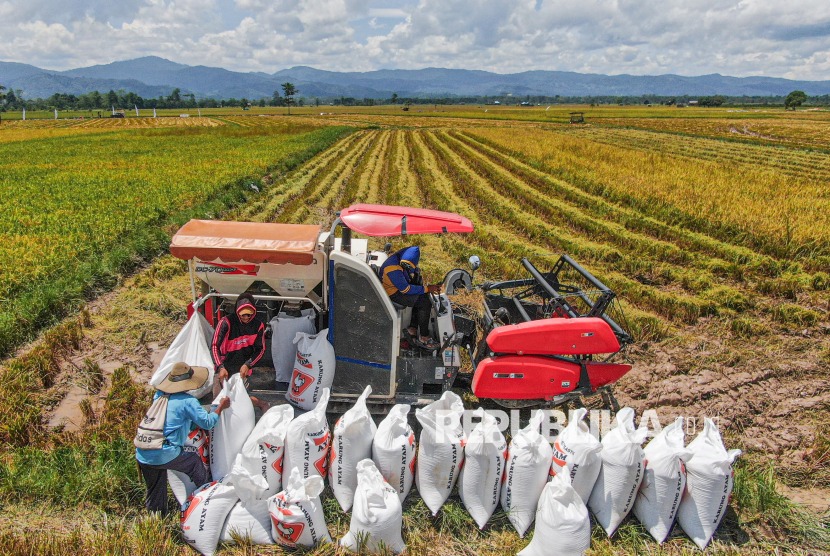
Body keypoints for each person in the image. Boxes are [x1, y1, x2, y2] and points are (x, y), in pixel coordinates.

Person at [135, 362, 230, 514]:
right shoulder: (187, 401)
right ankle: (206, 501)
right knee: (194, 463)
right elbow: (207, 422)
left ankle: (156, 525)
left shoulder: (159, 396)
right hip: (163, 452)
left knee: (155, 492)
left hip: (143, 451)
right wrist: (221, 407)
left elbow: (170, 420)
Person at [211, 292, 269, 412]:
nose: (246, 317)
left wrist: (248, 365)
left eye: (249, 314)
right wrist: (220, 367)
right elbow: (214, 346)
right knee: (219, 403)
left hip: (243, 369)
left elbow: (261, 349)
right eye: (243, 315)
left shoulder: (258, 326)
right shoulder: (225, 323)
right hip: (224, 367)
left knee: (241, 400)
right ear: (237, 311)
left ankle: (261, 403)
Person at [380, 245, 442, 349]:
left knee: (420, 295)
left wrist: (426, 287)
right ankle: (424, 337)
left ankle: (412, 328)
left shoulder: (399, 258)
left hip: (396, 288)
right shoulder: (392, 268)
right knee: (424, 301)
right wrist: (427, 289)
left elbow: (409, 271)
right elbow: (406, 289)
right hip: (392, 293)